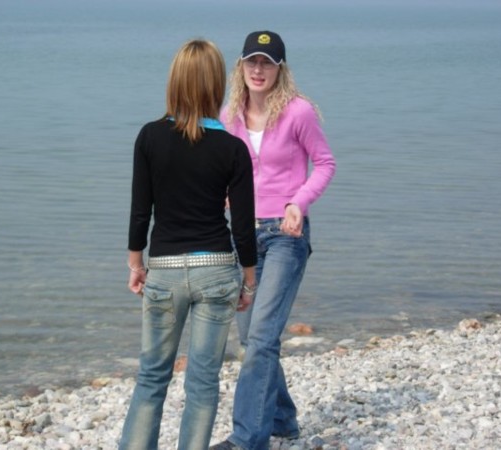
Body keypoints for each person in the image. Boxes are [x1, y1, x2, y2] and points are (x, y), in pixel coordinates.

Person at [119, 39, 257, 450]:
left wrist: (135, 264)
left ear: (175, 81)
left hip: (163, 269)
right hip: (216, 269)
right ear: (216, 85)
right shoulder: (233, 148)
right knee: (202, 381)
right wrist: (249, 280)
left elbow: (140, 211)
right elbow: (243, 225)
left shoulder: (149, 137)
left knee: (151, 377)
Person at [210, 31, 336, 450]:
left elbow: (325, 163)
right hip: (243, 237)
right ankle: (283, 419)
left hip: (286, 234)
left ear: (280, 69)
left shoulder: (298, 112)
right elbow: (223, 170)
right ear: (241, 66)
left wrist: (299, 201)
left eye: (267, 62)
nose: (259, 70)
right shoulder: (229, 115)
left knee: (262, 338)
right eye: (252, 61)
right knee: (251, 339)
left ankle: (247, 438)